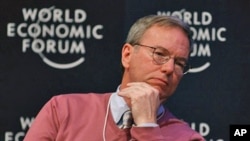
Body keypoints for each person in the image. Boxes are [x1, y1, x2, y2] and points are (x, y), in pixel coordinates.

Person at [24, 15, 205, 141]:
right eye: (159, 54)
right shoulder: (63, 111)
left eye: (180, 63)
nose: (169, 68)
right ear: (127, 55)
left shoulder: (186, 137)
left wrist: (147, 126)